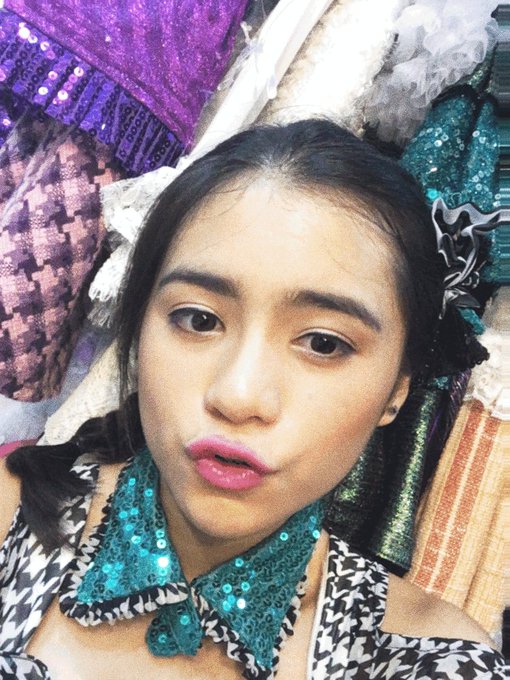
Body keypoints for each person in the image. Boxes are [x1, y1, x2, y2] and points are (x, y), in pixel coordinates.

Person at [0, 120, 506, 679]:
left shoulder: (426, 660)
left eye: (323, 343)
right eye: (199, 320)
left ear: (396, 391)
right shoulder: (10, 517)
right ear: (139, 331)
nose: (238, 397)